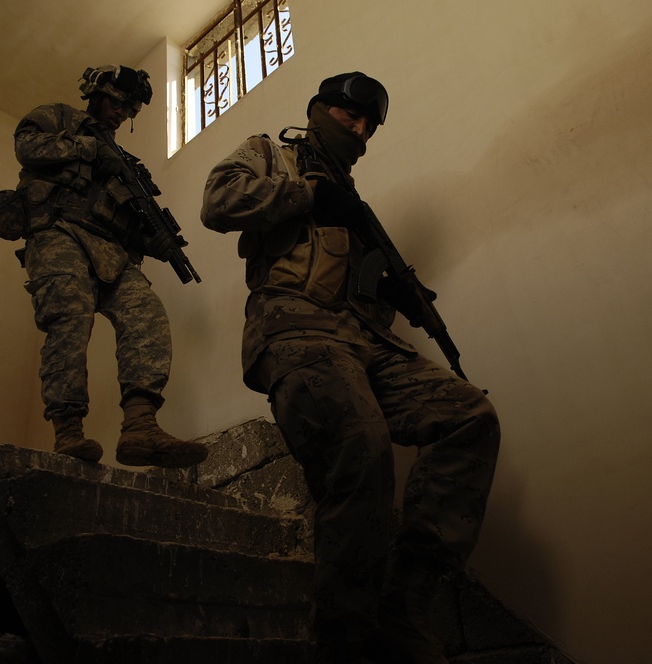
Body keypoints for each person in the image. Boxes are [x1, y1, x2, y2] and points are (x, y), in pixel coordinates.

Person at [200, 72, 500, 664]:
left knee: (470, 416)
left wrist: (392, 289)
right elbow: (217, 201)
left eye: (368, 125)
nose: (358, 129)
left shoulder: (355, 204)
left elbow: (346, 278)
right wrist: (307, 196)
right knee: (361, 445)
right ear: (318, 110)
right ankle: (347, 636)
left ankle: (404, 605)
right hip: (295, 328)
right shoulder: (273, 155)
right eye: (348, 116)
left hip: (364, 341)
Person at [11, 64, 207, 468]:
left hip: (112, 251)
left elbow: (126, 219)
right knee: (70, 318)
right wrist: (86, 149)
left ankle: (141, 427)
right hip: (58, 231)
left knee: (147, 318)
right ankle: (68, 433)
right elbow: (27, 147)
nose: (122, 113)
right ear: (96, 92)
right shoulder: (60, 117)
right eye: (118, 102)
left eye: (130, 109)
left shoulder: (127, 163)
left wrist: (152, 241)